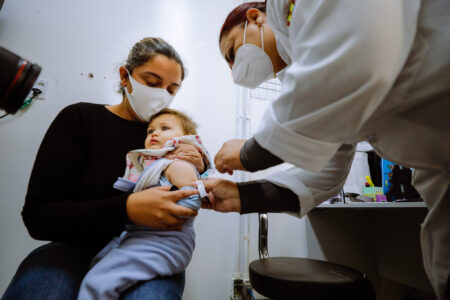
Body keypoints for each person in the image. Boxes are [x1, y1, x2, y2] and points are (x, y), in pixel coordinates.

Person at [200, 1, 450, 299]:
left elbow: (357, 56)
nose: (234, 72)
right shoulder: (304, 72)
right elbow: (327, 172)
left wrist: (249, 153)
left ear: (254, 18)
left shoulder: (289, 7)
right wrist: (243, 196)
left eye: (232, 53)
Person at [2, 37, 206, 300]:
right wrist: (127, 208)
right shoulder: (80, 119)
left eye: (171, 89)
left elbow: (188, 201)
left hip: (148, 251)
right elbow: (38, 218)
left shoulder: (170, 139)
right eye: (153, 83)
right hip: (72, 247)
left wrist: (197, 165)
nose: (161, 94)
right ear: (125, 76)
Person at [77, 108, 213, 300]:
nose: (155, 133)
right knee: (99, 263)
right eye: (150, 131)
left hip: (165, 242)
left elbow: (190, 203)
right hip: (141, 237)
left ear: (186, 139)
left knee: (97, 282)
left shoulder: (177, 165)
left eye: (164, 128)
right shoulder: (152, 166)